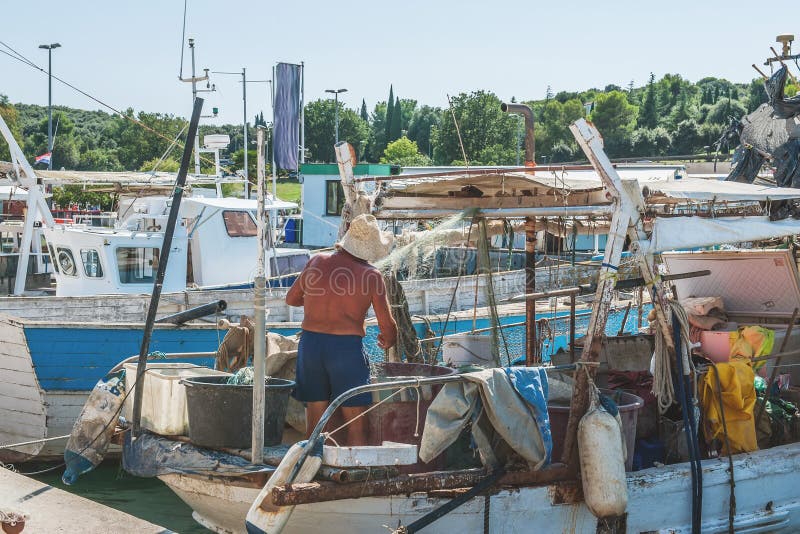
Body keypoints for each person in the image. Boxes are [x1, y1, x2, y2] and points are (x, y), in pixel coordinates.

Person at [286, 214, 397, 445]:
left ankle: (311, 469)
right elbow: (387, 327)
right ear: (370, 249)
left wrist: (320, 302)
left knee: (315, 422)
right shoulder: (371, 275)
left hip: (311, 346)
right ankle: (357, 473)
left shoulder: (316, 261)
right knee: (356, 422)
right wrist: (388, 339)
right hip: (345, 349)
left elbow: (292, 299)